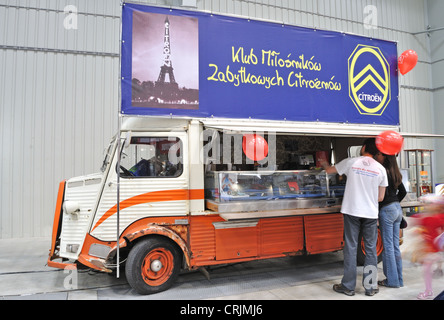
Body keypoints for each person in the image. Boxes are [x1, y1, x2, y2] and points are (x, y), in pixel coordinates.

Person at [322, 138, 388, 296]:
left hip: (352, 211)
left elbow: (329, 171)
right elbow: (380, 197)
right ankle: (370, 287)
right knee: (371, 249)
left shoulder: (351, 162)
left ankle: (348, 286)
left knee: (351, 247)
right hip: (370, 214)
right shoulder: (381, 169)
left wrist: (323, 162)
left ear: (364, 147)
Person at [374, 153, 406, 288]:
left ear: (385, 158)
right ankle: (399, 279)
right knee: (394, 247)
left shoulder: (382, 172)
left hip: (387, 211)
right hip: (397, 210)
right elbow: (403, 192)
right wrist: (394, 203)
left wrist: (387, 205)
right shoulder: (396, 173)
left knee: (388, 247)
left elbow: (381, 196)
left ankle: (392, 281)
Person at [409, 195, 444, 299]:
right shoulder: (427, 218)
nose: (426, 206)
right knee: (426, 269)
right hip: (431, 250)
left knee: (427, 269)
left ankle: (429, 291)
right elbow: (418, 224)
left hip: (434, 250)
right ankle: (428, 291)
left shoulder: (437, 218)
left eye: (429, 204)